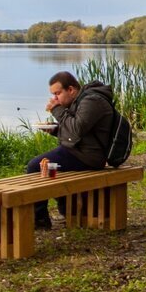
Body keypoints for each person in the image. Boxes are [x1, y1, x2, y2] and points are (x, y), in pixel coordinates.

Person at [27, 71, 114, 230]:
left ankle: (40, 220)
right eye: (53, 95)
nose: (55, 99)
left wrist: (57, 110)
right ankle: (68, 209)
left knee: (35, 166)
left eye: (57, 93)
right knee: (50, 169)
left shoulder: (91, 101)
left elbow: (77, 129)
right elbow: (76, 132)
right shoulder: (81, 100)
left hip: (88, 157)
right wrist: (55, 130)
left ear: (71, 90)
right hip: (81, 152)